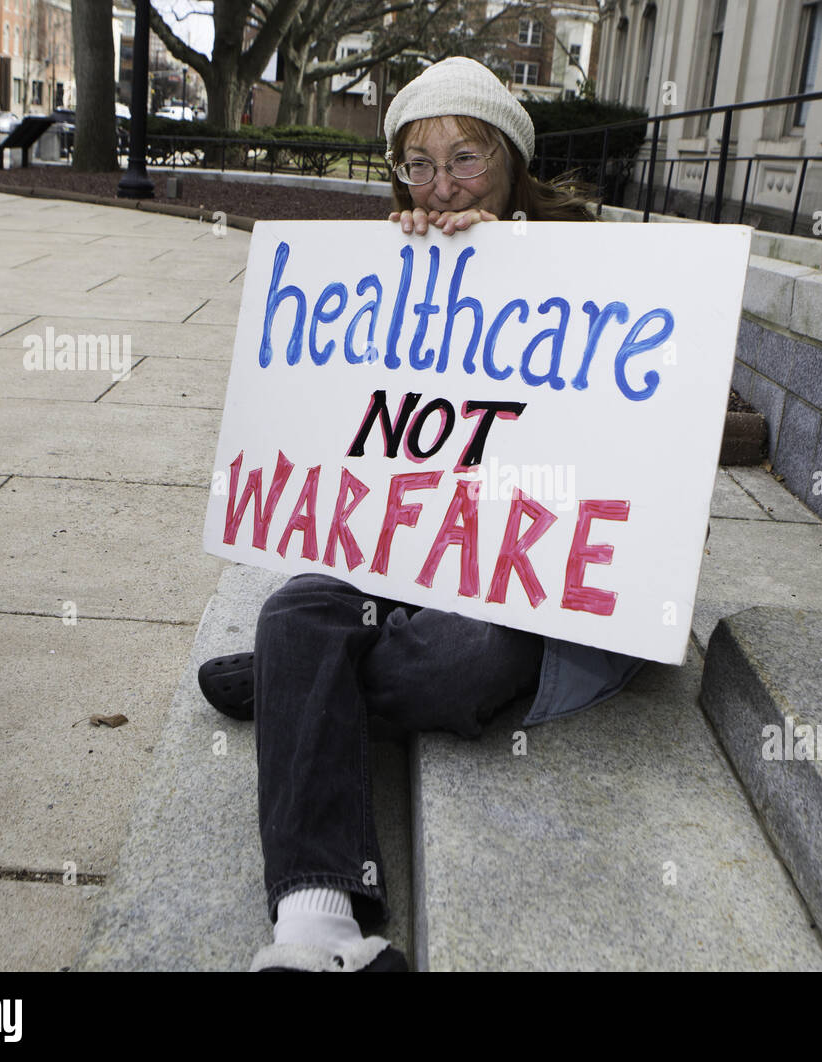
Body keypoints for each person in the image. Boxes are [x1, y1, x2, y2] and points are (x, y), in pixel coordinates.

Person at [198, 57, 643, 974]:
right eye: (418, 163)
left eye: (466, 158)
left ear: (513, 162)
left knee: (463, 658)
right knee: (295, 607)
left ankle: (299, 685)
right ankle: (315, 928)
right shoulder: (396, 263)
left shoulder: (605, 269)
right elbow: (346, 431)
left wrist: (513, 269)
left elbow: (646, 450)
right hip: (407, 558)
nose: (441, 186)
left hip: (522, 584)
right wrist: (417, 283)